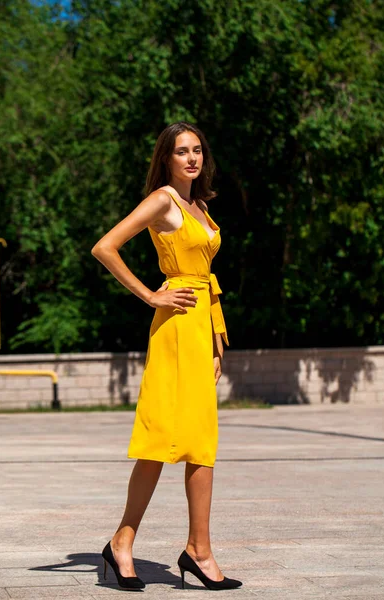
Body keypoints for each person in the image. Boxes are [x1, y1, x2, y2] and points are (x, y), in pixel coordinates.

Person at [91, 121, 242, 591]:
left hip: (200, 330)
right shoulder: (163, 200)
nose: (192, 158)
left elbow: (207, 276)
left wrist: (217, 338)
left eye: (197, 150)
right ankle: (122, 541)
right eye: (182, 151)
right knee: (161, 440)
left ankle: (199, 549)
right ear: (167, 158)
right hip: (175, 328)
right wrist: (150, 296)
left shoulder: (200, 204)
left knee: (202, 443)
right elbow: (105, 247)